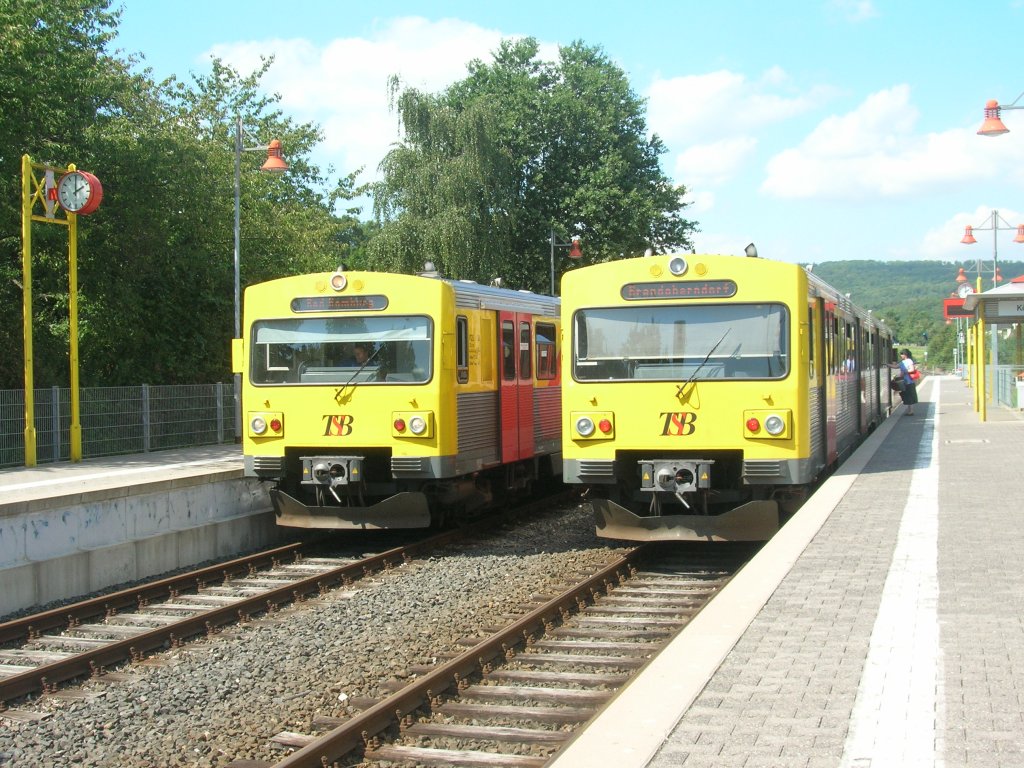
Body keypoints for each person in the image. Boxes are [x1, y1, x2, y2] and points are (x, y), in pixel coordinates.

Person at [889, 348, 918, 415]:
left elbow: (912, 369)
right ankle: (910, 411)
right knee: (907, 396)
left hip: (909, 381)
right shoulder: (902, 362)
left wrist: (904, 371)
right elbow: (895, 366)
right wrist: (887, 364)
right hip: (904, 382)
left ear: (905, 355)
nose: (901, 355)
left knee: (909, 396)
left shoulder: (909, 361)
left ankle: (911, 411)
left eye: (902, 354)